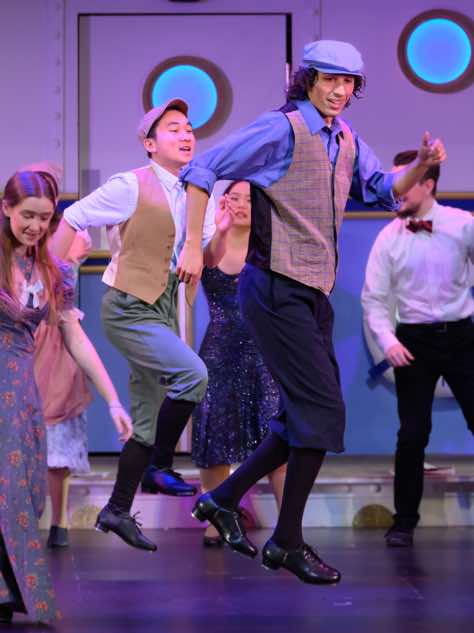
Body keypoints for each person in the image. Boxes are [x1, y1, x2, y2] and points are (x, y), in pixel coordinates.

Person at [177, 40, 446, 584]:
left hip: (311, 293)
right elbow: (204, 167)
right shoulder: (281, 129)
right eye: (330, 80)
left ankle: (225, 499)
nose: (340, 91)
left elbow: (382, 189)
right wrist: (190, 244)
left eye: (349, 83)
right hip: (274, 285)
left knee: (304, 415)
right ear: (308, 80)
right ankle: (284, 538)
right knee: (320, 412)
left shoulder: (344, 137)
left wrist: (421, 164)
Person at [51, 99, 233, 552]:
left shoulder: (199, 192)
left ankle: (117, 509)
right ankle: (159, 465)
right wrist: (48, 275)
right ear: (150, 145)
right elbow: (74, 216)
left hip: (165, 305)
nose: (186, 135)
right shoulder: (129, 184)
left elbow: (208, 258)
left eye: (189, 128)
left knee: (146, 420)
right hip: (129, 307)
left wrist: (224, 229)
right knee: (194, 375)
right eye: (173, 128)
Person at [0, 167, 131, 624]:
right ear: (6, 209)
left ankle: (9, 589)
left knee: (26, 491)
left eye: (45, 218)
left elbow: (76, 339)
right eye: (28, 216)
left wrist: (112, 400)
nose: (36, 226)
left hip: (21, 391)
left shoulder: (51, 272)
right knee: (6, 489)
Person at [361, 150, 473, 547]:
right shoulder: (388, 238)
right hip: (413, 341)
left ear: (428, 184)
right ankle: (404, 522)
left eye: (406, 182)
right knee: (412, 434)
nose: (398, 190)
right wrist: (388, 341)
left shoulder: (463, 225)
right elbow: (374, 298)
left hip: (461, 337)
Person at [192, 181, 285, 546]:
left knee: (277, 437)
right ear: (224, 202)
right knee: (214, 434)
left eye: (250, 199)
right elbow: (205, 262)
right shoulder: (211, 243)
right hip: (220, 350)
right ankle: (217, 518)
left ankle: (288, 526)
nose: (243, 205)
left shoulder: (272, 246)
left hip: (265, 350)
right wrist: (221, 230)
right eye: (235, 198)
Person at [34, 230, 93, 549]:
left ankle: (60, 521)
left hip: (58, 349)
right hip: (27, 348)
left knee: (58, 443)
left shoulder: (68, 248)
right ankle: (28, 522)